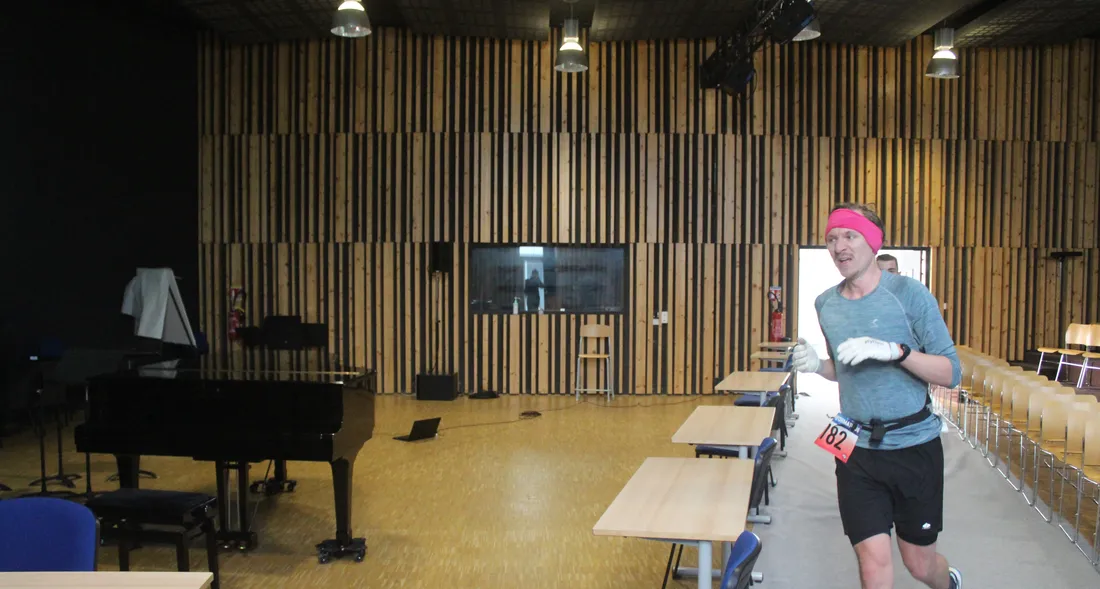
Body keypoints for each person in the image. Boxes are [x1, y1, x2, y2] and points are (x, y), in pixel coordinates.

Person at [791, 202, 963, 589]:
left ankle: (947, 581)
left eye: (849, 235)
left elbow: (952, 373)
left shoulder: (910, 295)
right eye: (832, 238)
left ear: (872, 241)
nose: (839, 247)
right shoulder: (826, 304)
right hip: (854, 446)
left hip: (913, 446)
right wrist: (817, 364)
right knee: (873, 563)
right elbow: (844, 368)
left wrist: (897, 352)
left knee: (920, 565)